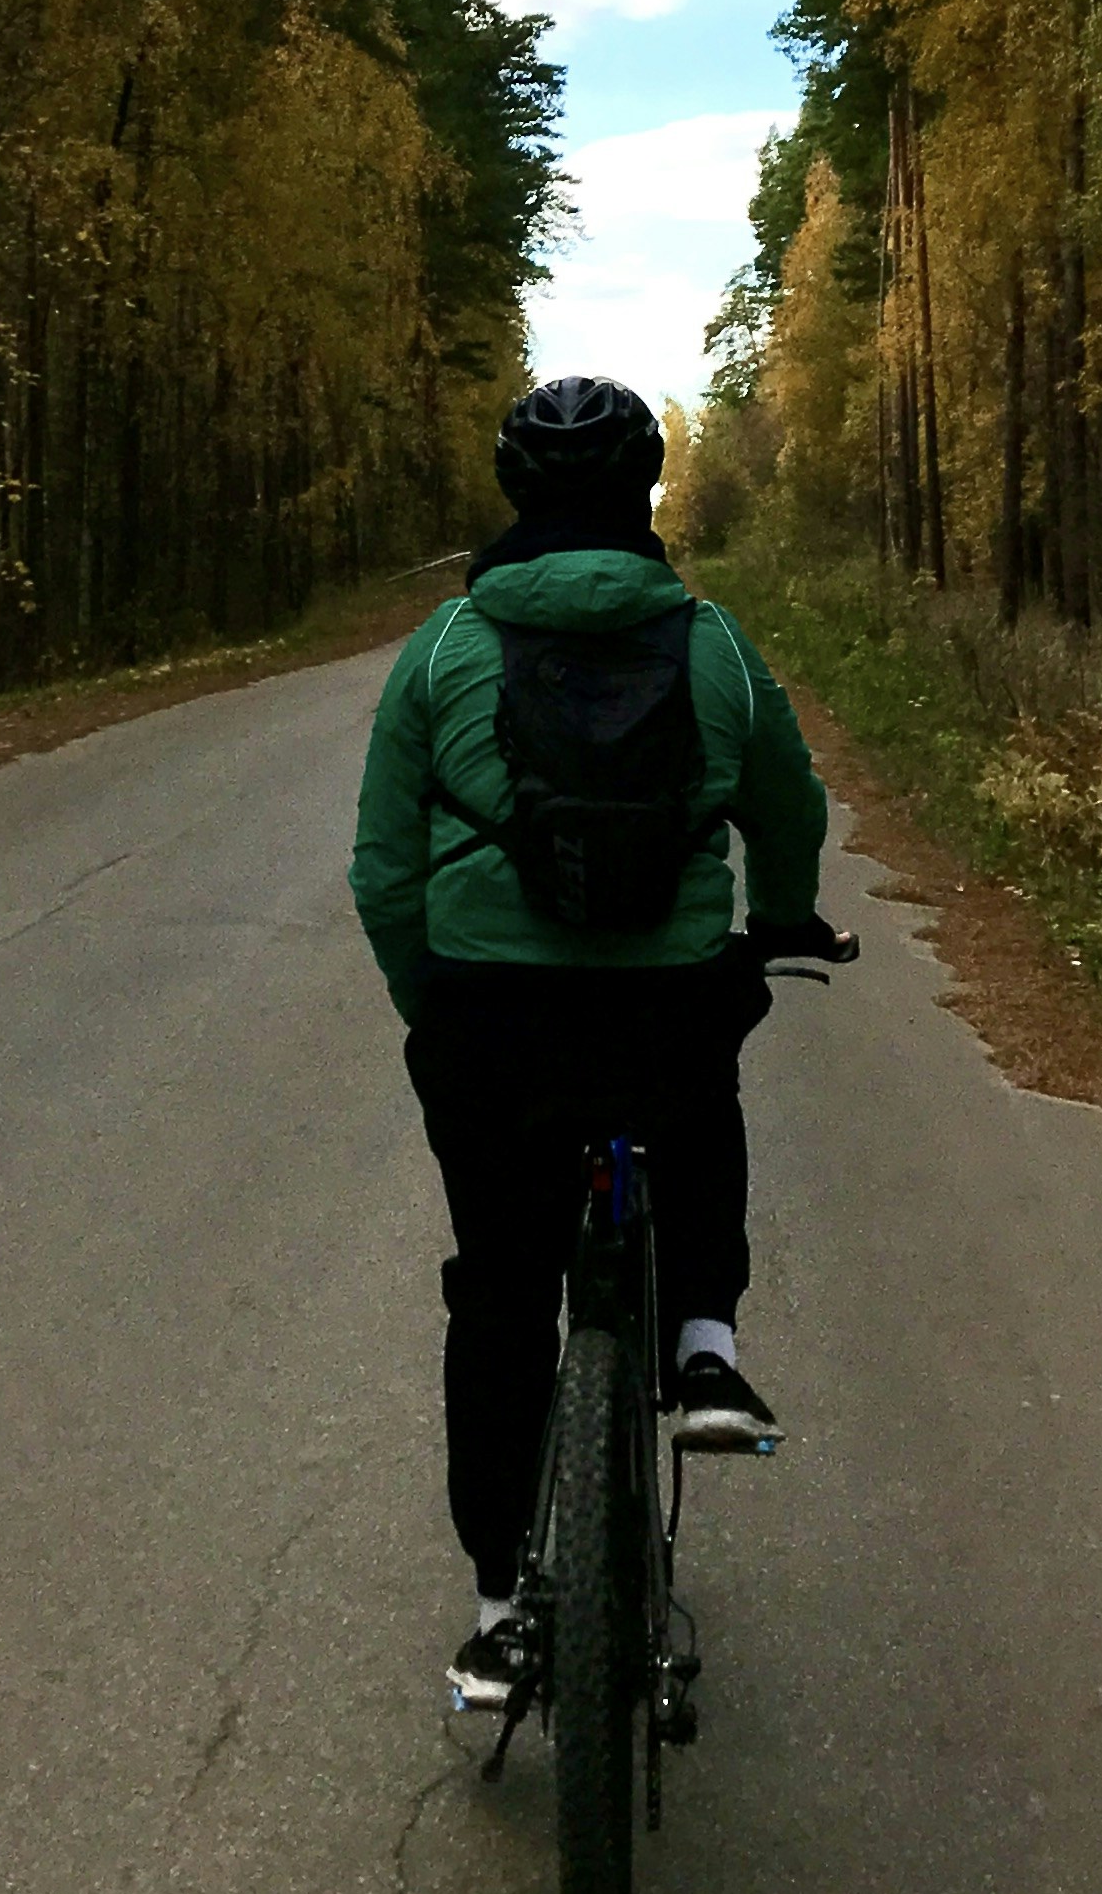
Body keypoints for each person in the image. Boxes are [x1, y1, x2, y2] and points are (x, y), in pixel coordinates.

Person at [348, 373, 831, 1713]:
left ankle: (502, 1609)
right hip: (660, 1011)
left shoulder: (444, 647)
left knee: (501, 1292)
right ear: (646, 494)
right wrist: (777, 923)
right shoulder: (713, 641)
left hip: (488, 1024)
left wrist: (428, 998)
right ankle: (705, 1344)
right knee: (696, 1097)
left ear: (516, 496)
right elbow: (789, 805)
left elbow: (385, 869)